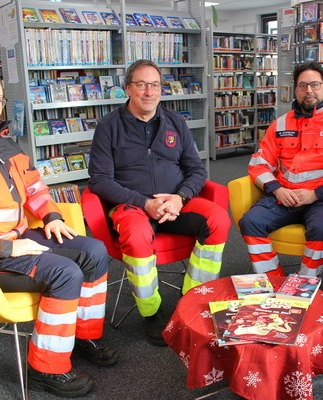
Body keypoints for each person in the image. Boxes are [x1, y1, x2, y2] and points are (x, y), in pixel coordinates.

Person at [0, 69, 118, 398]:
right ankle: (46, 368)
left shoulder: (5, 143)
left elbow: (35, 187)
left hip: (20, 236)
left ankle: (83, 335)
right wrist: (7, 249)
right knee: (65, 272)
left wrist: (52, 216)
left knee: (95, 251)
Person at [88, 59, 231, 346]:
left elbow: (197, 170)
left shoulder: (176, 122)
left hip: (175, 201)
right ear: (128, 88)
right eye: (141, 84)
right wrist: (143, 202)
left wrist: (181, 197)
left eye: (155, 85)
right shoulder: (108, 127)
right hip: (131, 205)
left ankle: (192, 298)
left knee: (218, 220)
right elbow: (99, 180)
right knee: (137, 235)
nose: (149, 91)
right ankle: (150, 311)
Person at [238, 61, 323, 278]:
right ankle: (273, 280)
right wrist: (277, 189)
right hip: (284, 195)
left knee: (322, 229)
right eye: (303, 85)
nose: (309, 91)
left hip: (322, 199)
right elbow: (258, 164)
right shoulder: (280, 124)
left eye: (315, 85)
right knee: (250, 222)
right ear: (296, 89)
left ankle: (305, 285)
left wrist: (315, 194)